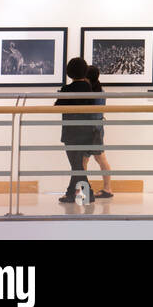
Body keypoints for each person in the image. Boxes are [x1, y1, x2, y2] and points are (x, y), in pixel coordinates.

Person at [54, 56, 102, 204]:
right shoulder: (88, 88)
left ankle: (87, 194)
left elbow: (57, 106)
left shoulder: (67, 89)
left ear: (69, 72)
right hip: (86, 131)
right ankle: (71, 193)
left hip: (71, 132)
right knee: (77, 164)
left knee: (76, 165)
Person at [85, 64, 114, 199]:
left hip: (91, 130)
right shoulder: (100, 90)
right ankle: (107, 188)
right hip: (97, 128)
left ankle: (85, 191)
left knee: (84, 161)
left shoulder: (90, 92)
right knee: (100, 159)